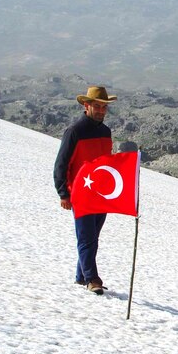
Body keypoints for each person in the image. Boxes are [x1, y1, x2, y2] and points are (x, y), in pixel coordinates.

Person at [54, 86, 117, 295]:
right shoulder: (74, 132)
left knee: (92, 237)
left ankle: (81, 276)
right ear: (86, 105)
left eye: (104, 107)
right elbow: (61, 164)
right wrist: (63, 193)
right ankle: (92, 279)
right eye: (97, 106)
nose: (101, 110)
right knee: (86, 237)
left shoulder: (105, 132)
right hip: (81, 194)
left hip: (101, 195)